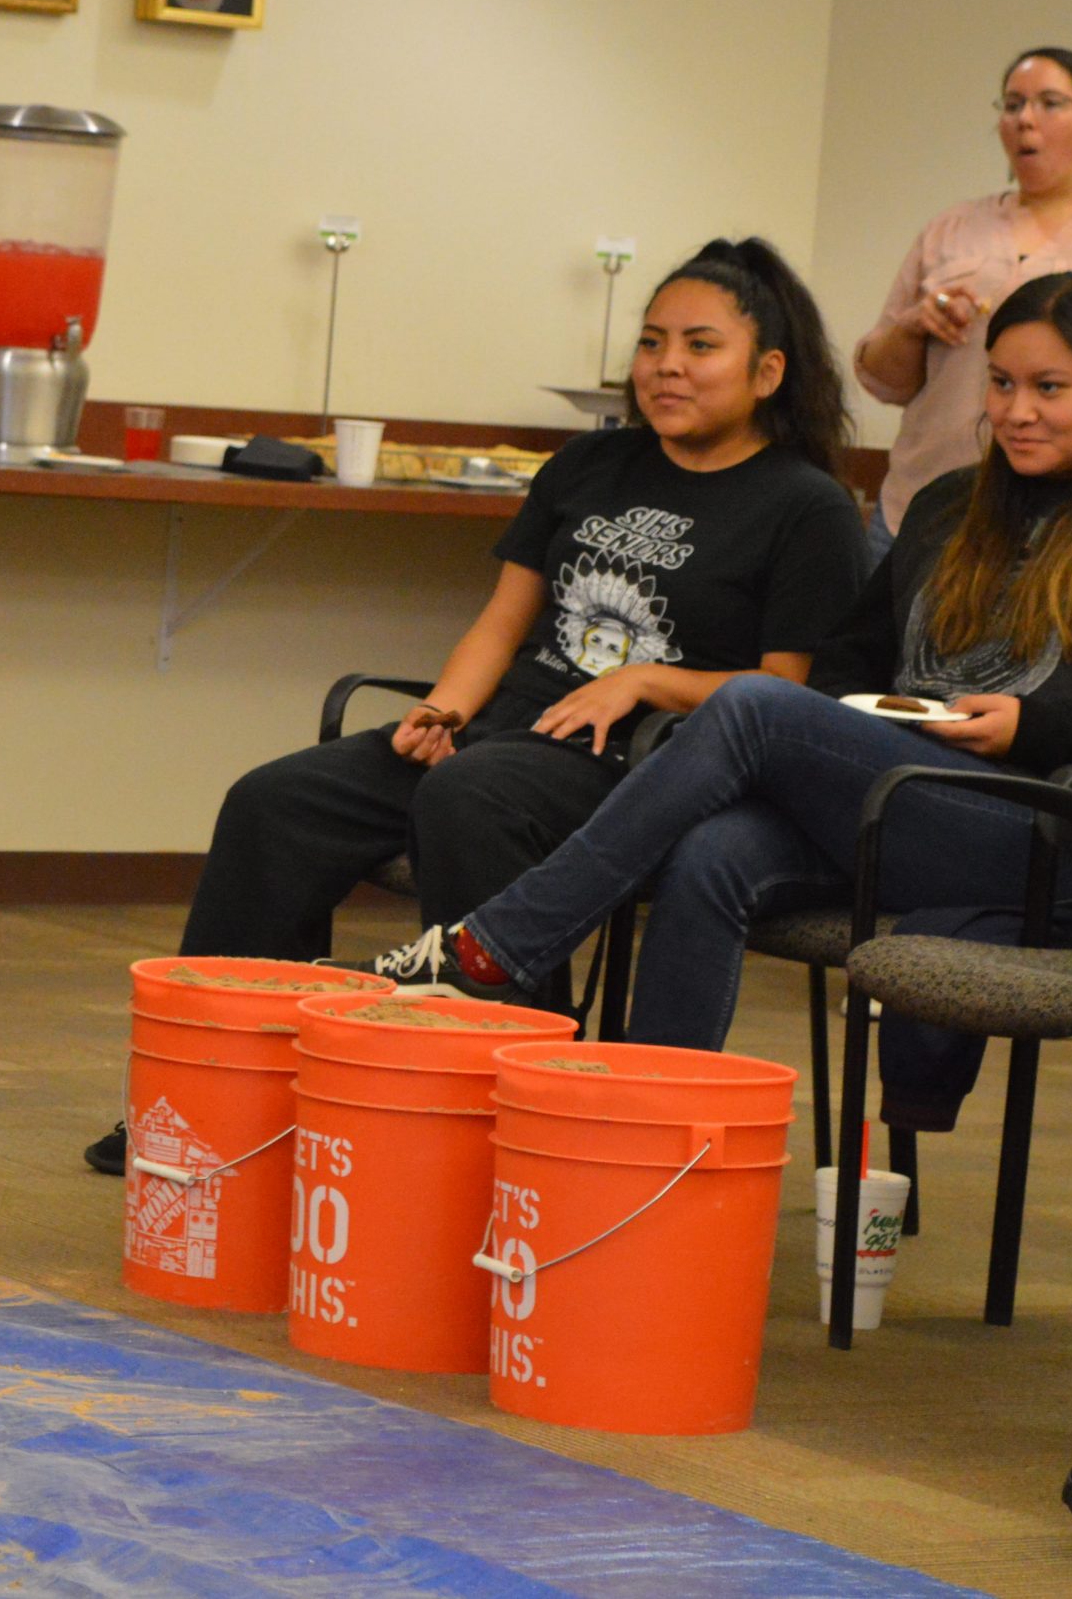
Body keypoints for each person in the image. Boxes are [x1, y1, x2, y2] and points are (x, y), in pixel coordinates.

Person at [86, 238, 866, 1173]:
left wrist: (648, 680)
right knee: (274, 802)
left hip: (642, 759)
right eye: (652, 342)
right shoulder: (591, 464)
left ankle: (500, 1116)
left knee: (471, 798)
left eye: (700, 346)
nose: (667, 366)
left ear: (767, 372)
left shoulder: (806, 506)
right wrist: (446, 712)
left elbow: (784, 695)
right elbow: (501, 623)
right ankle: (212, 1101)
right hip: (505, 731)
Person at [365, 272, 1072, 1127]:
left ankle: (496, 947)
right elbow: (847, 661)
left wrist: (1033, 723)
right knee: (712, 852)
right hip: (903, 792)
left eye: (1050, 388)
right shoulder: (950, 505)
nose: (1018, 411)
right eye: (1002, 383)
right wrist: (871, 714)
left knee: (755, 703)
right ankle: (644, 1124)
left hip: (1052, 833)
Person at [855, 46, 1072, 562]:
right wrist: (913, 327)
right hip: (925, 501)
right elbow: (882, 378)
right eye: (1013, 104)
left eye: (1049, 103)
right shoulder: (951, 228)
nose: (1025, 120)